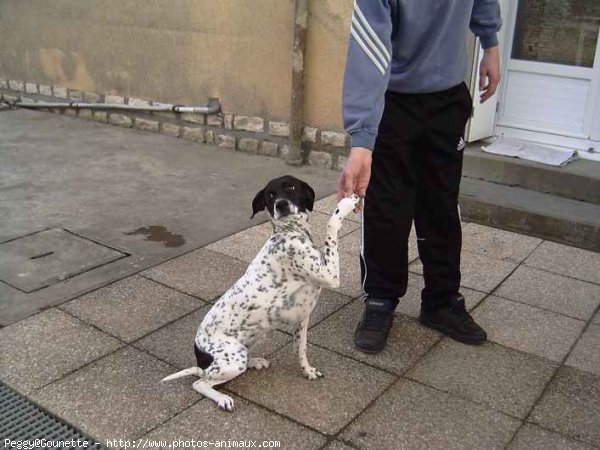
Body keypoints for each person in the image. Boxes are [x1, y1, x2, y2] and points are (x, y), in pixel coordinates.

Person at [339, 0, 502, 353]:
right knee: (387, 208)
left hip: (447, 99)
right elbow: (368, 51)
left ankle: (441, 302)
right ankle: (380, 300)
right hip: (392, 103)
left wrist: (490, 43)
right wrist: (363, 141)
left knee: (441, 206)